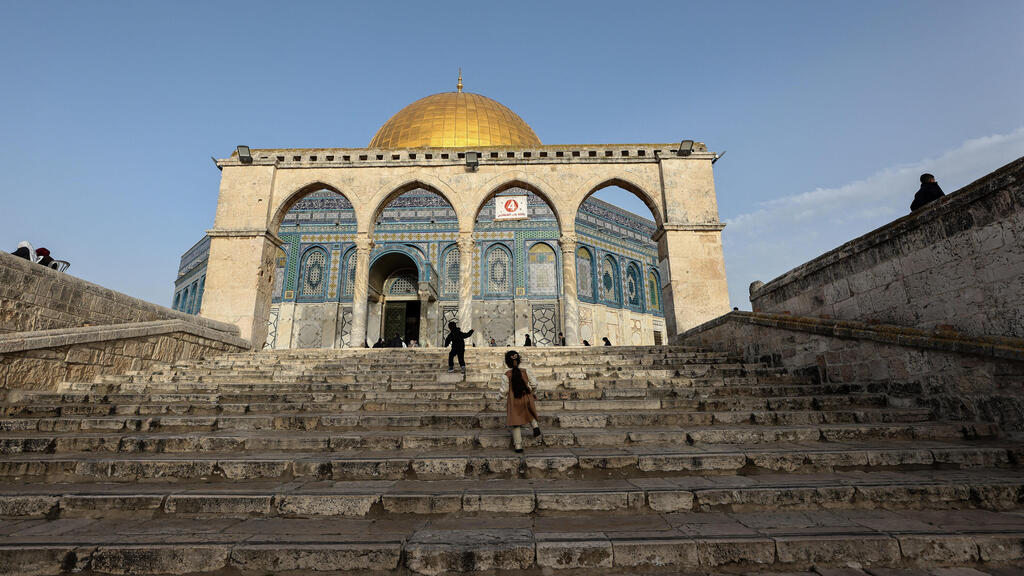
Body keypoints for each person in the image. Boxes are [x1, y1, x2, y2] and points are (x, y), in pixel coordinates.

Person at [498, 350, 541, 453]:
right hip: (526, 395)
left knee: (515, 421)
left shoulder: (506, 375)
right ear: (519, 360)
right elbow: (534, 384)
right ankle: (535, 426)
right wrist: (533, 392)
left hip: (514, 399)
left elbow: (504, 390)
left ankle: (518, 446)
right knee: (528, 411)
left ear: (507, 362)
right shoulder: (526, 371)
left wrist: (499, 398)